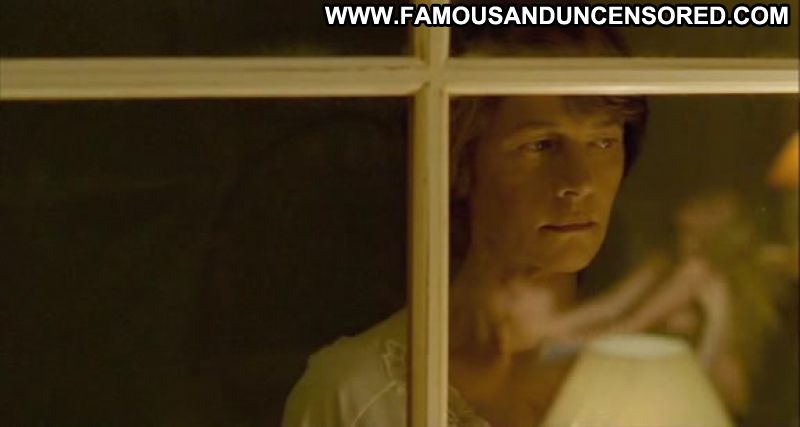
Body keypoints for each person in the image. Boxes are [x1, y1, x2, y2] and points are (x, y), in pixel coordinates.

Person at [282, 21, 651, 427]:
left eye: (603, 142)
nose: (579, 182)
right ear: (459, 164)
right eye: (541, 145)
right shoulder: (354, 395)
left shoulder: (657, 379)